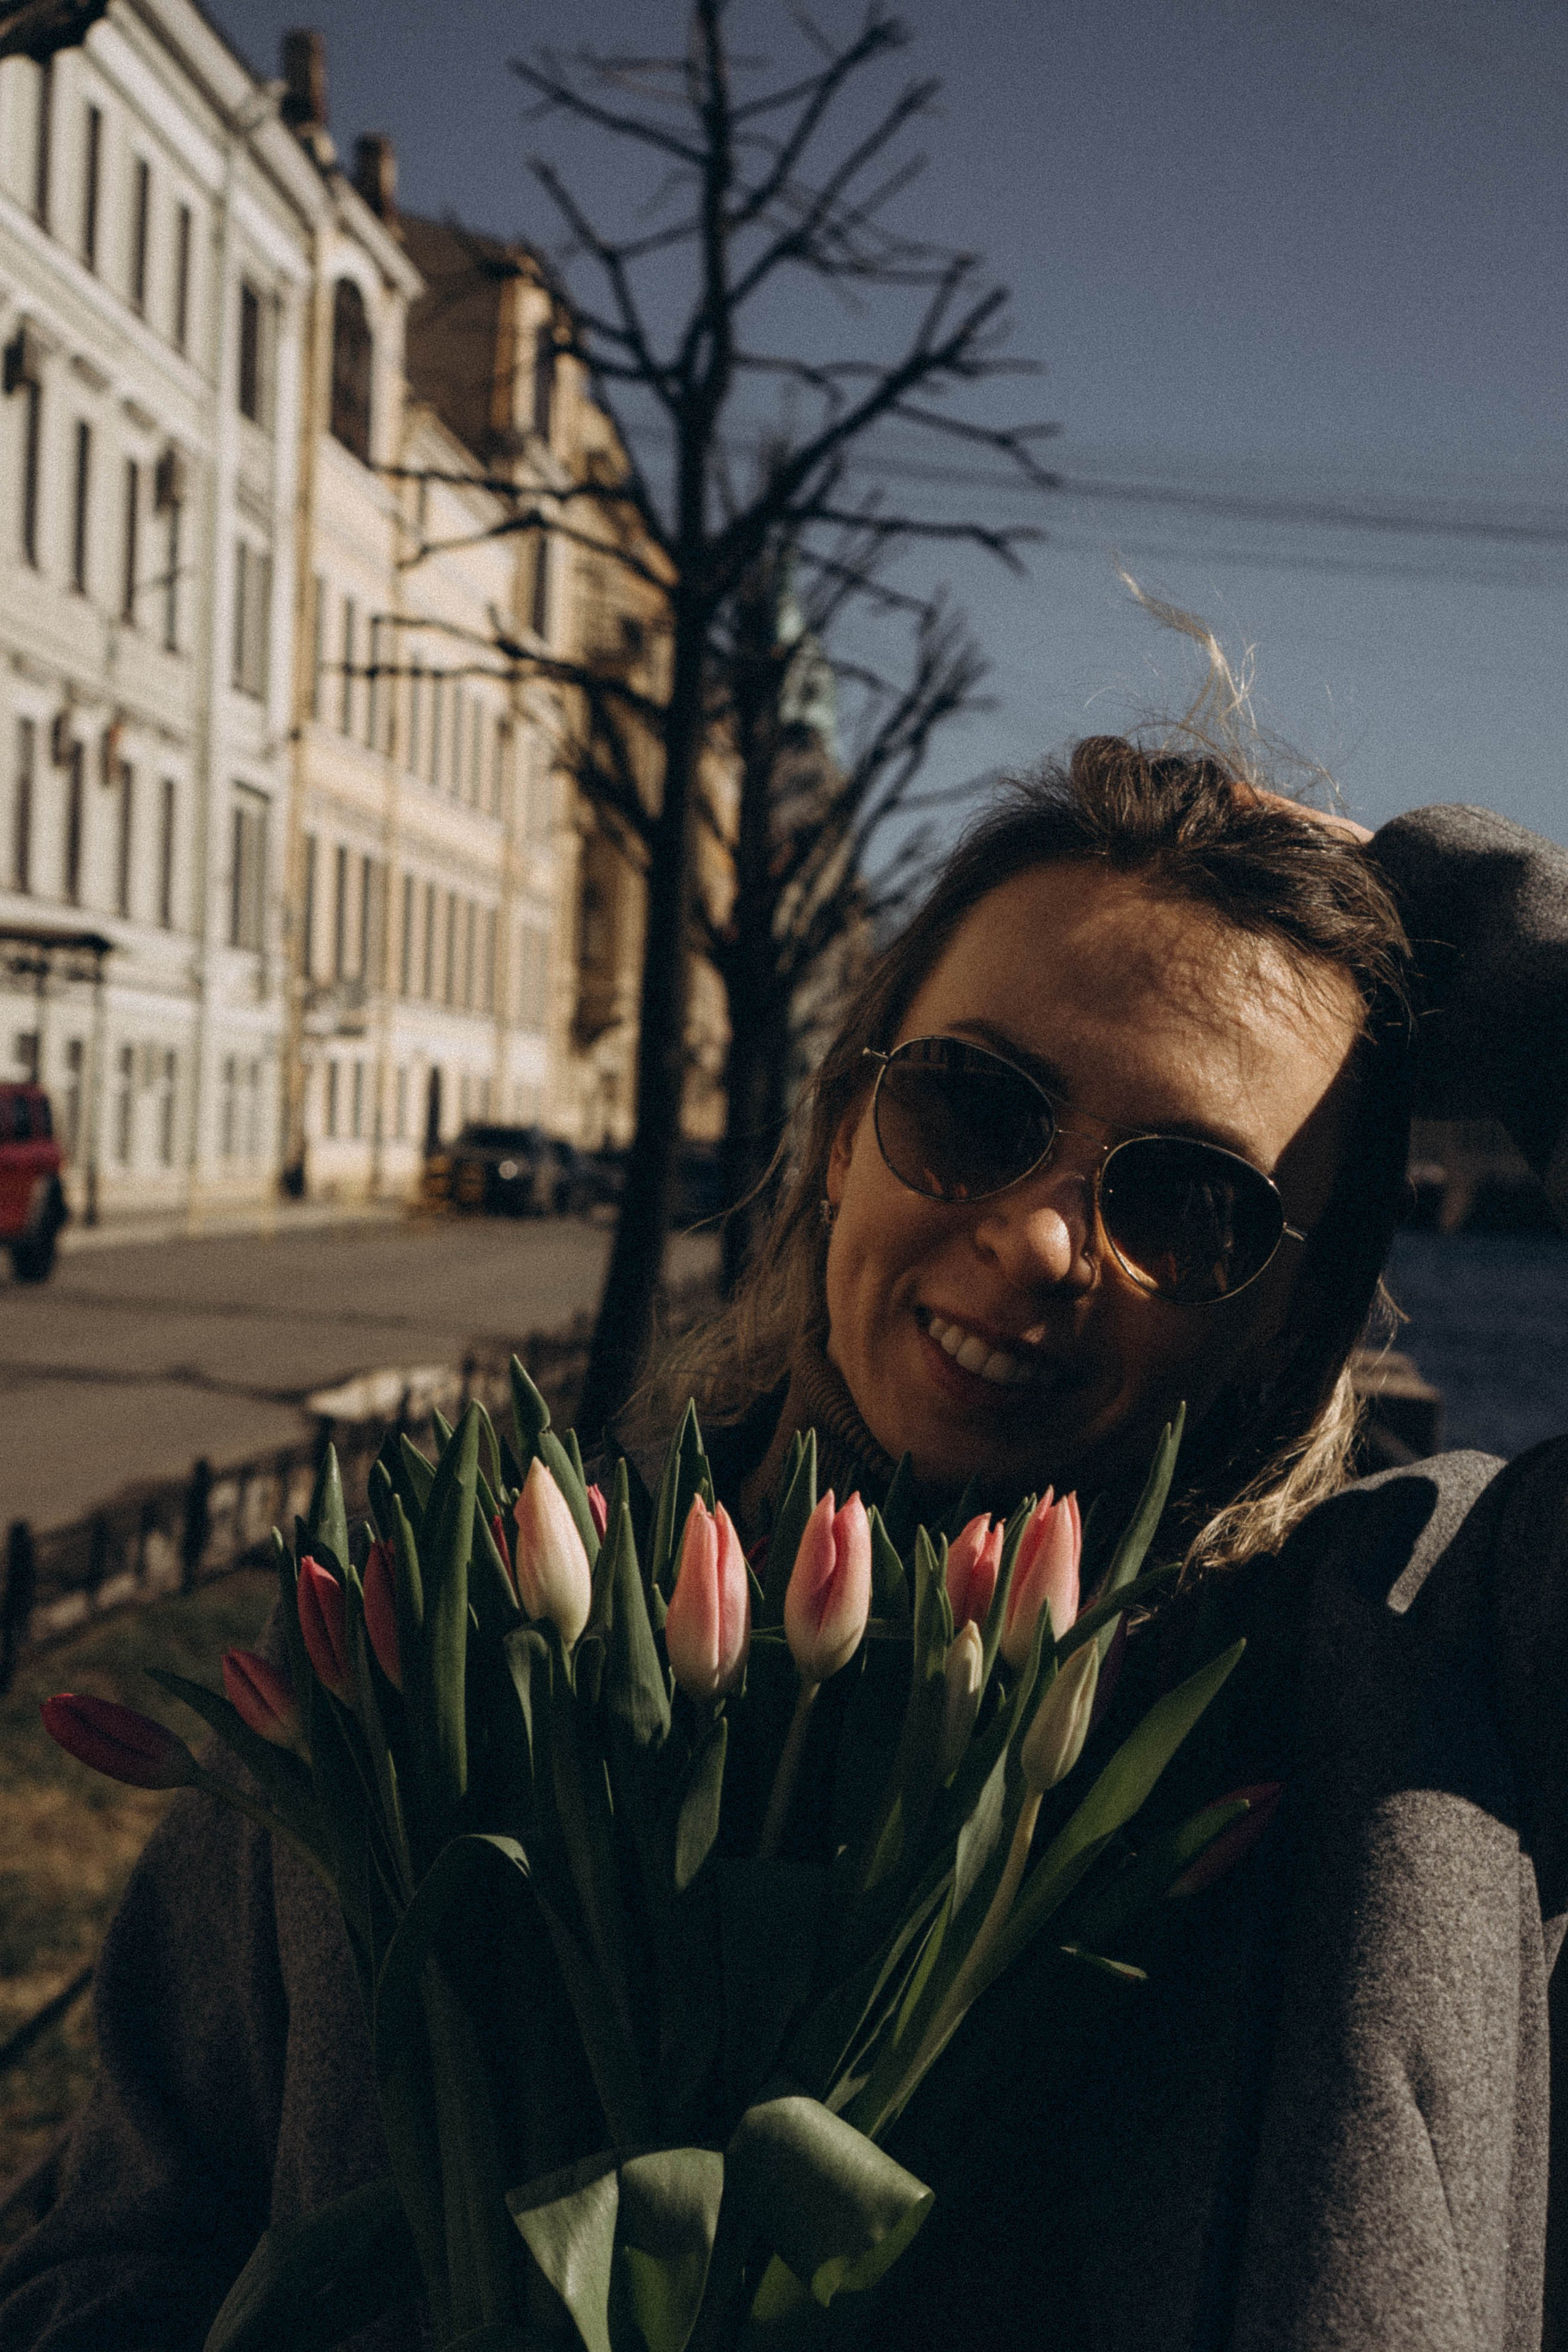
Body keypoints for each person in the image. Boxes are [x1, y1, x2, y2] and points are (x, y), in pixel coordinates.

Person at [2, 702, 1564, 2352]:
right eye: (973, 1109)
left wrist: (1494, 949)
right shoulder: (434, 1635)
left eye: (1188, 1204)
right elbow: (103, 2259)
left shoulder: (1405, 1679)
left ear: (1296, 1316)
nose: (1039, 1241)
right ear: (837, 1132)